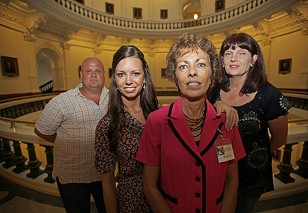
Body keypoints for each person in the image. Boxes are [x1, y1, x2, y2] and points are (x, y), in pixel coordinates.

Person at [136, 33, 246, 213]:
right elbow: (149, 186)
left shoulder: (227, 121)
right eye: (183, 66)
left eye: (201, 64)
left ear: (212, 75)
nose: (192, 72)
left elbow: (232, 181)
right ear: (175, 76)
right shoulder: (156, 122)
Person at [207, 32, 291, 213]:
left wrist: (252, 155)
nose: (233, 58)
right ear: (222, 59)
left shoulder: (269, 95)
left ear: (253, 59)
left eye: (241, 53)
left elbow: (279, 139)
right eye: (228, 53)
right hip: (218, 170)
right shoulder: (213, 92)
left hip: (251, 175)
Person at [34, 57, 108, 213]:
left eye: (98, 71)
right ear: (81, 74)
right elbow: (41, 130)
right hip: (73, 175)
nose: (93, 75)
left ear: (104, 75)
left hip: (104, 174)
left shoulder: (114, 98)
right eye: (88, 71)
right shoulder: (61, 101)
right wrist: (66, 141)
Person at [95, 45, 159, 212]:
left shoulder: (158, 114)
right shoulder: (107, 125)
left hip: (164, 195)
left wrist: (220, 103)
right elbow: (107, 181)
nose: (128, 81)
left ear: (144, 77)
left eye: (135, 73)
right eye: (121, 74)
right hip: (132, 201)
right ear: (114, 79)